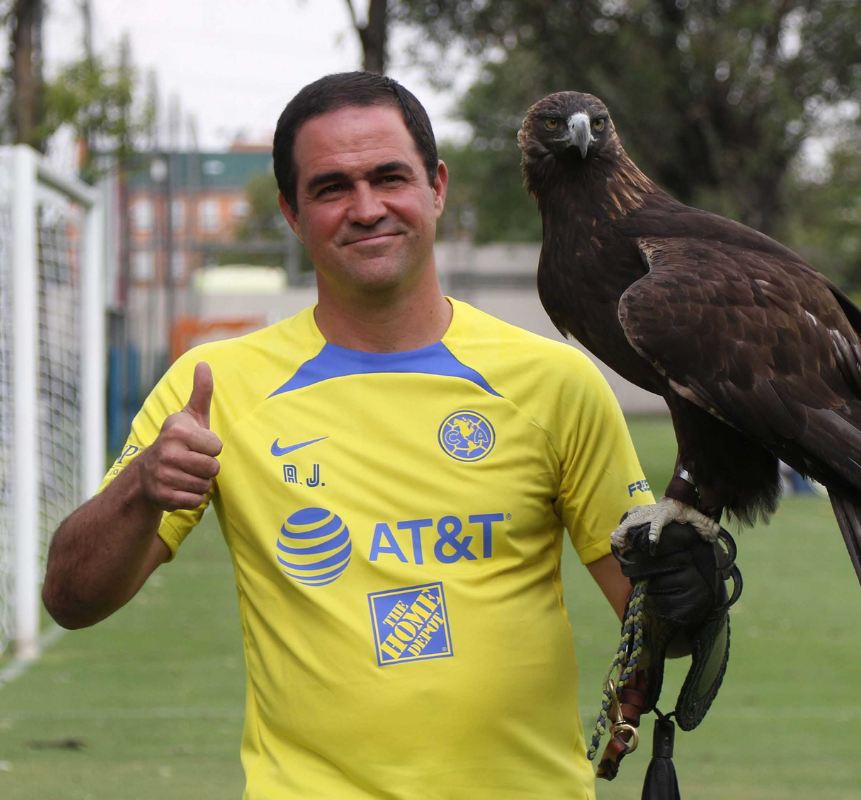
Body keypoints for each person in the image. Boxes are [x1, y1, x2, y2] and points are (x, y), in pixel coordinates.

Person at [41, 72, 653, 799]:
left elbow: (652, 615)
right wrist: (142, 488)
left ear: (436, 187)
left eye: (389, 177)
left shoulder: (554, 382)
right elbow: (71, 598)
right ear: (292, 214)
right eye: (331, 188)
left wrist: (687, 586)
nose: (366, 208)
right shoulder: (214, 387)